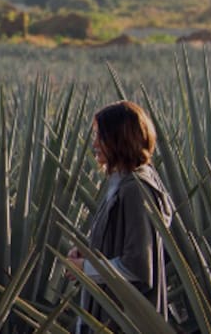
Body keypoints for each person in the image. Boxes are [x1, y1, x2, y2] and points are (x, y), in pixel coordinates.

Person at [66, 100, 174, 333]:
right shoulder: (124, 183)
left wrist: (85, 267)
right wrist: (88, 252)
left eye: (100, 138)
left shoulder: (136, 189)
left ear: (119, 140)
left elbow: (137, 267)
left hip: (123, 323)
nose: (94, 144)